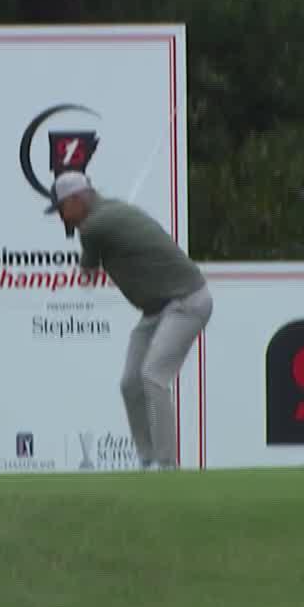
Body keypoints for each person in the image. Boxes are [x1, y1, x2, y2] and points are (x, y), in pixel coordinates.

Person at [53, 171, 214, 471]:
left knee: (153, 376)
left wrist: (88, 262)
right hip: (156, 310)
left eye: (62, 208)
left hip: (187, 301)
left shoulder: (94, 226)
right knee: (130, 383)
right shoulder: (108, 213)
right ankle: (146, 457)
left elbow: (87, 275)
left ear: (75, 200)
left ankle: (167, 465)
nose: (62, 217)